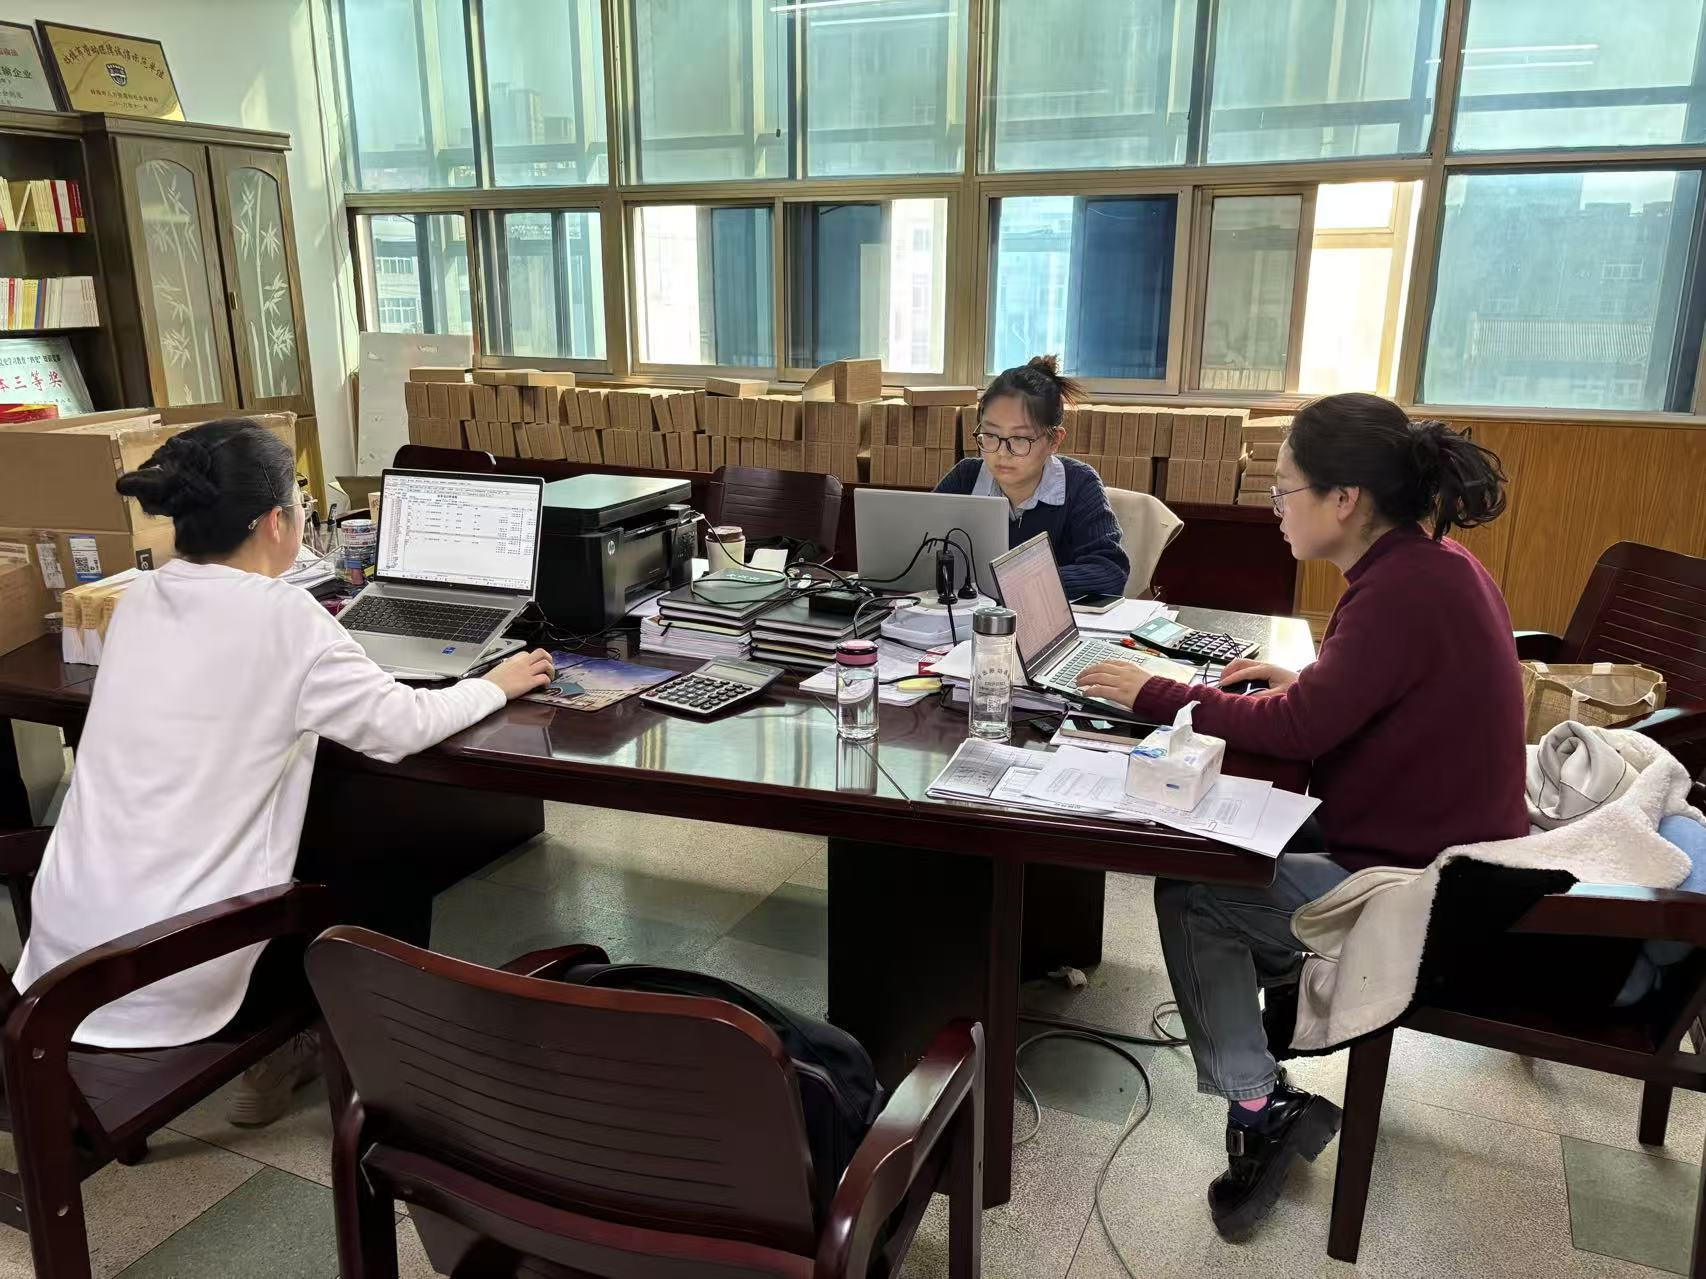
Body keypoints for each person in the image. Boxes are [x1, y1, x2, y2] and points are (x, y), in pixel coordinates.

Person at [1075, 392, 1529, 1241]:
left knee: (1194, 892)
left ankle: (1259, 1109)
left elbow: (1298, 731)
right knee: (1229, 837)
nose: (1275, 507)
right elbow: (1355, 700)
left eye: (1283, 489)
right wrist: (1304, 684)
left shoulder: (1398, 592)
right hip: (1445, 847)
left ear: (1344, 499)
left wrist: (1155, 692)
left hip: (1428, 890)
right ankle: (1275, 1024)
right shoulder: (1430, 564)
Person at [14, 419, 554, 1124]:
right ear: (276, 522)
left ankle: (297, 1051)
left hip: (62, 968)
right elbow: (402, 727)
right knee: (395, 851)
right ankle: (378, 1068)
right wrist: (495, 683)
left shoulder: (140, 599)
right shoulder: (284, 615)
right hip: (168, 975)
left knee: (332, 810)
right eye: (301, 499)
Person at [936, 354, 1129, 599]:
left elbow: (1110, 571)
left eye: (1019, 439)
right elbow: (920, 548)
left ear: (1054, 440)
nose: (1002, 452)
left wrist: (1016, 581)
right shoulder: (966, 477)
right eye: (991, 435)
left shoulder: (1079, 483)